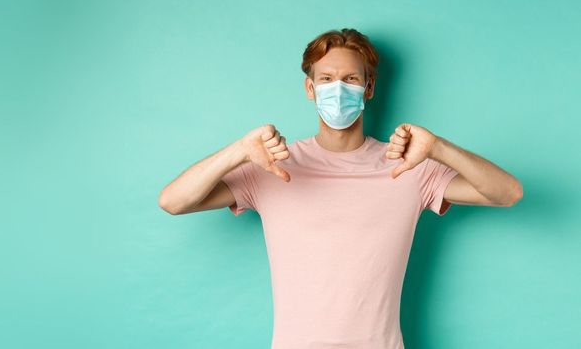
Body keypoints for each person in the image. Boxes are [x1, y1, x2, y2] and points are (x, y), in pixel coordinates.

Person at [157, 28, 523, 349]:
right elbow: (173, 201)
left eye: (350, 79)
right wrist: (239, 151)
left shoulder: (409, 167)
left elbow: (508, 193)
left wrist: (439, 147)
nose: (338, 89)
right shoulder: (272, 165)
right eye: (327, 78)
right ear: (310, 87)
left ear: (369, 87)